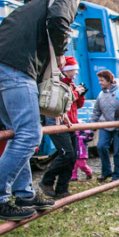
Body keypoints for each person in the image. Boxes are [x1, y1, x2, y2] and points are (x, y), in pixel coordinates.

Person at [0, 0, 82, 220]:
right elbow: (59, 20)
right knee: (31, 134)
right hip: (14, 66)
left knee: (16, 132)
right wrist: (61, 52)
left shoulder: (31, 6)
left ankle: (24, 193)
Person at [39, 57, 86, 199]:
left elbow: (77, 105)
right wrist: (76, 93)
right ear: (67, 69)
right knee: (67, 155)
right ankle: (47, 181)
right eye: (75, 69)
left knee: (72, 158)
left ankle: (62, 189)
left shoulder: (71, 84)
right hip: (58, 123)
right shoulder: (57, 83)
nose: (77, 73)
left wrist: (80, 95)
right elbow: (61, 101)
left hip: (71, 124)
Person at [92, 70, 119, 182]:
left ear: (109, 80)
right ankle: (106, 171)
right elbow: (97, 111)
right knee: (101, 146)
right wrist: (91, 124)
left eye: (102, 80)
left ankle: (117, 175)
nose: (99, 82)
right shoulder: (100, 95)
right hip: (105, 125)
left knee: (117, 151)